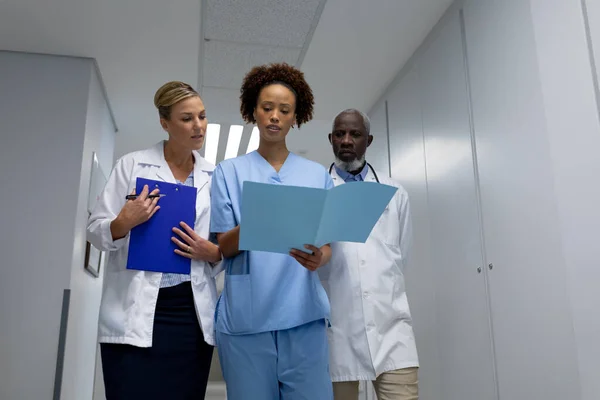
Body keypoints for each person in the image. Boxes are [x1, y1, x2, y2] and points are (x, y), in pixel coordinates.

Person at [87, 81, 223, 399]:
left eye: (202, 116)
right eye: (187, 118)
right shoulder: (132, 165)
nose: (198, 125)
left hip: (190, 315)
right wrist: (124, 221)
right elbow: (95, 229)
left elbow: (223, 246)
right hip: (134, 310)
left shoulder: (215, 176)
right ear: (165, 123)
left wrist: (213, 252)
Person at [210, 63, 334, 400]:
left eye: (284, 110)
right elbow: (224, 246)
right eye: (267, 108)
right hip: (248, 318)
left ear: (296, 118)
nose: (274, 116)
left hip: (303, 316)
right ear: (253, 111)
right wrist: (260, 218)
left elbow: (325, 247)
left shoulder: (316, 174)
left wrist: (319, 258)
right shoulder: (228, 172)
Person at [318, 109, 419, 400]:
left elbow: (402, 257)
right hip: (336, 331)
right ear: (331, 139)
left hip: (391, 329)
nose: (346, 140)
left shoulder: (394, 192)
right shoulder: (317, 193)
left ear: (368, 140)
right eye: (340, 134)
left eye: (355, 134)